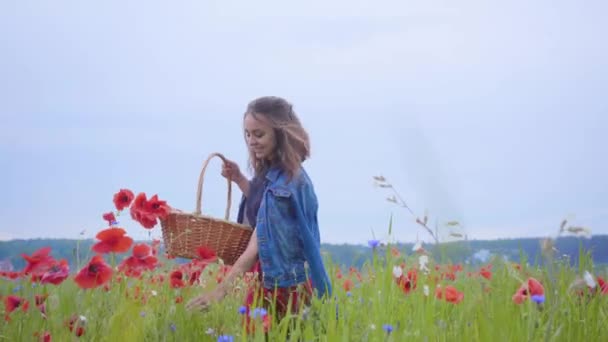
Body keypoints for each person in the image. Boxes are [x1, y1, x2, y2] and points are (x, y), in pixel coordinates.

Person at [186, 96, 332, 326]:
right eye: (247, 134)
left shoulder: (280, 188)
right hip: (296, 278)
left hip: (279, 287)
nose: (252, 141)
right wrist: (240, 180)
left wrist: (219, 292)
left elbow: (256, 246)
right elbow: (268, 209)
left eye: (259, 134)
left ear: (280, 134)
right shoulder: (290, 175)